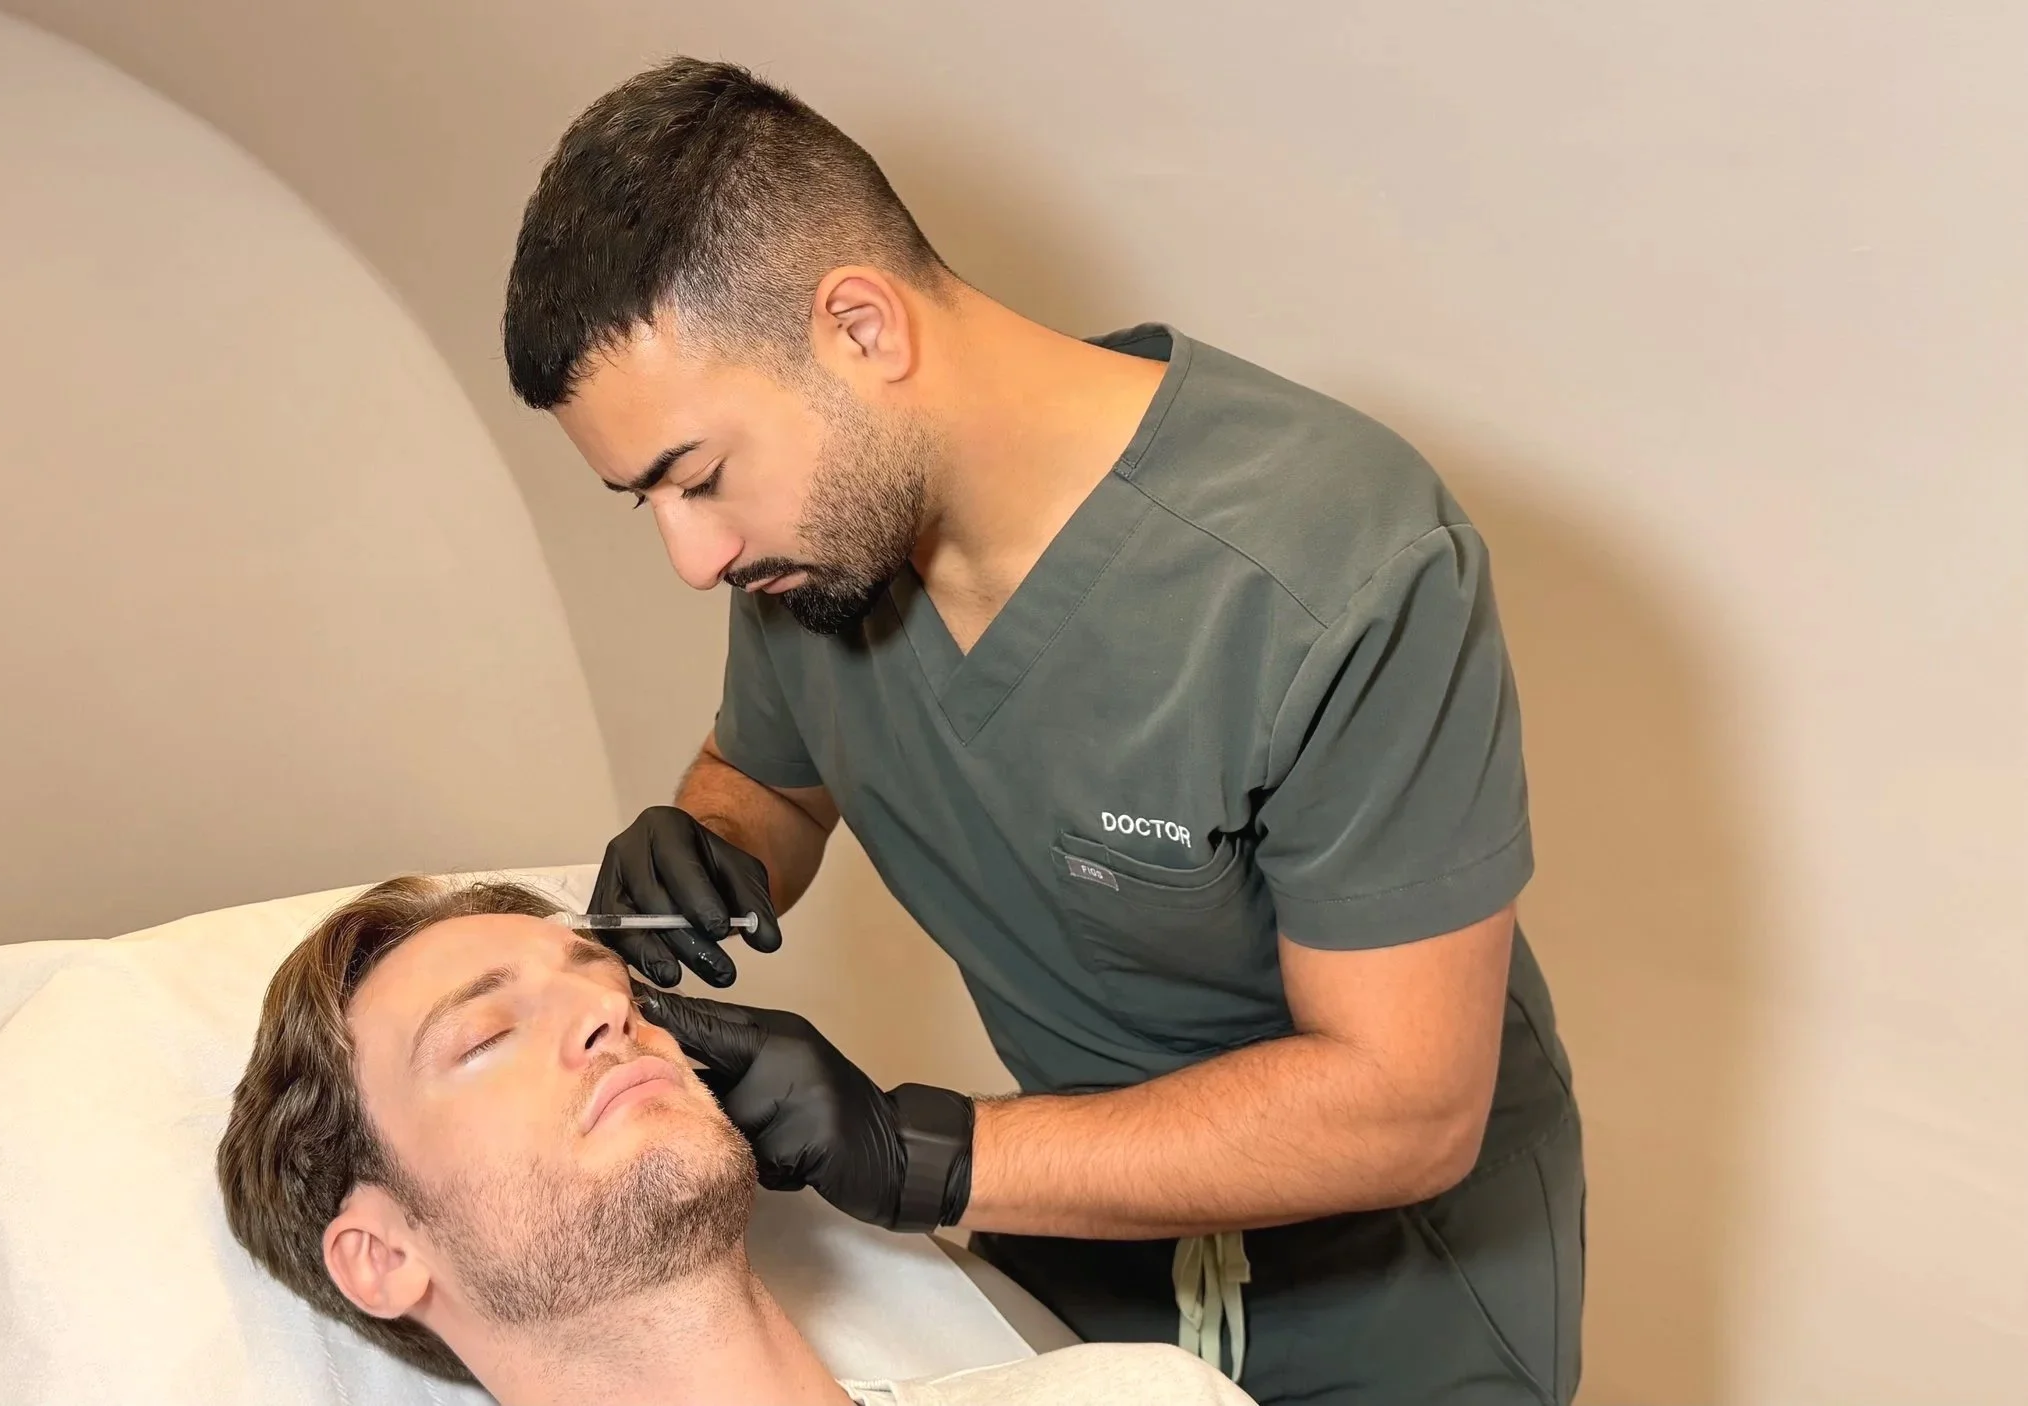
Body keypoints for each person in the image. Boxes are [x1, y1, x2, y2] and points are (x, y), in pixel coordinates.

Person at [500, 58, 1583, 1406]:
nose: (692, 554)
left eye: (701, 477)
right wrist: (712, 838)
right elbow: (769, 784)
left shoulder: (1330, 566)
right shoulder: (818, 555)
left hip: (1390, 1310)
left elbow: (1407, 1106)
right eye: (644, 500)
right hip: (1082, 1252)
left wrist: (918, 1154)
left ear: (860, 327)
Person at [216, 875, 1251, 1405]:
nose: (609, 1018)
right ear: (382, 1251)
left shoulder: (1134, 1395)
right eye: (485, 1034)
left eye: (613, 990)